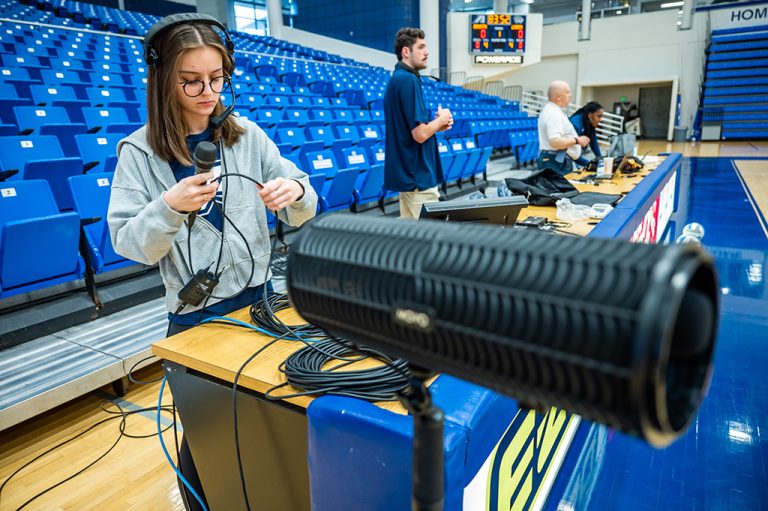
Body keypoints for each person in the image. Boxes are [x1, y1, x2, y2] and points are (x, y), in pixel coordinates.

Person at [106, 15, 317, 510]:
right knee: (206, 441)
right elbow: (129, 243)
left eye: (217, 79)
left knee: (271, 422)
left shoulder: (248, 137)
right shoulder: (137, 153)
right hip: (196, 317)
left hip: (260, 305)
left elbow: (306, 203)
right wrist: (169, 207)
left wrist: (297, 189)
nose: (208, 92)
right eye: (192, 81)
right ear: (163, 81)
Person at [384, 27, 453, 219]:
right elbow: (420, 134)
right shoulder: (408, 81)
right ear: (406, 51)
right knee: (429, 243)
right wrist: (441, 119)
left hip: (409, 177)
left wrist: (439, 124)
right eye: (421, 47)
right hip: (418, 178)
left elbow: (412, 131)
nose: (427, 52)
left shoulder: (397, 79)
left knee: (412, 243)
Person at [536, 80, 590, 176]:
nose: (570, 95)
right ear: (558, 97)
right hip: (554, 161)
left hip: (555, 160)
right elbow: (555, 142)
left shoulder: (553, 111)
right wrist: (577, 140)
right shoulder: (553, 113)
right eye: (567, 92)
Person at [569, 101, 604, 167]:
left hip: (575, 154)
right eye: (599, 116)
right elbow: (572, 152)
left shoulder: (588, 121)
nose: (600, 120)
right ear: (590, 115)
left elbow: (593, 142)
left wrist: (600, 160)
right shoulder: (575, 123)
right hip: (566, 156)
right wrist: (589, 164)